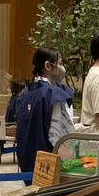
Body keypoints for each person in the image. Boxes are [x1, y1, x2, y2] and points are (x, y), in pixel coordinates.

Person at [16, 47, 75, 179]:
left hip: (27, 162)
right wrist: (71, 163)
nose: (62, 67)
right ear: (48, 66)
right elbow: (58, 137)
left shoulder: (27, 92)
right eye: (60, 63)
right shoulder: (52, 94)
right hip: (47, 165)